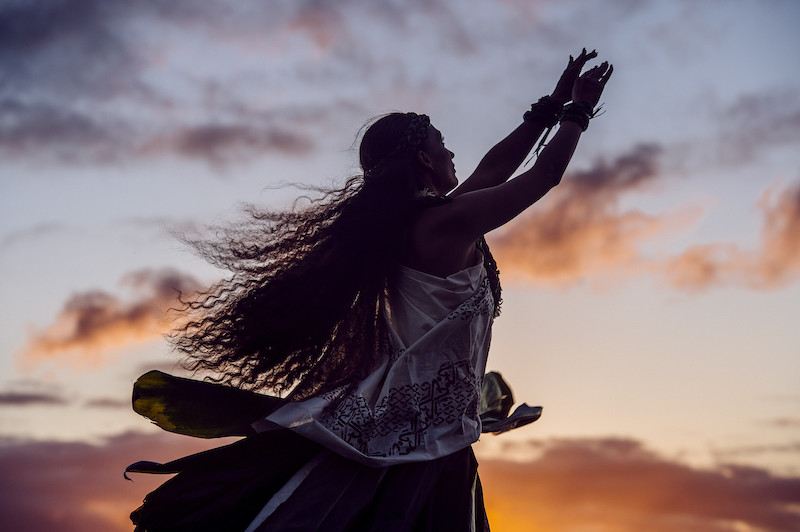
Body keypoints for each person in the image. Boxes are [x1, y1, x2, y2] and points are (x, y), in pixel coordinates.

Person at [126, 49, 613, 531]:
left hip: (436, 441)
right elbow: (544, 175)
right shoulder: (444, 224)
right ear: (423, 158)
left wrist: (551, 106)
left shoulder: (422, 222)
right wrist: (579, 111)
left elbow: (492, 171)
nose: (453, 153)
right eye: (443, 144)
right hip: (412, 455)